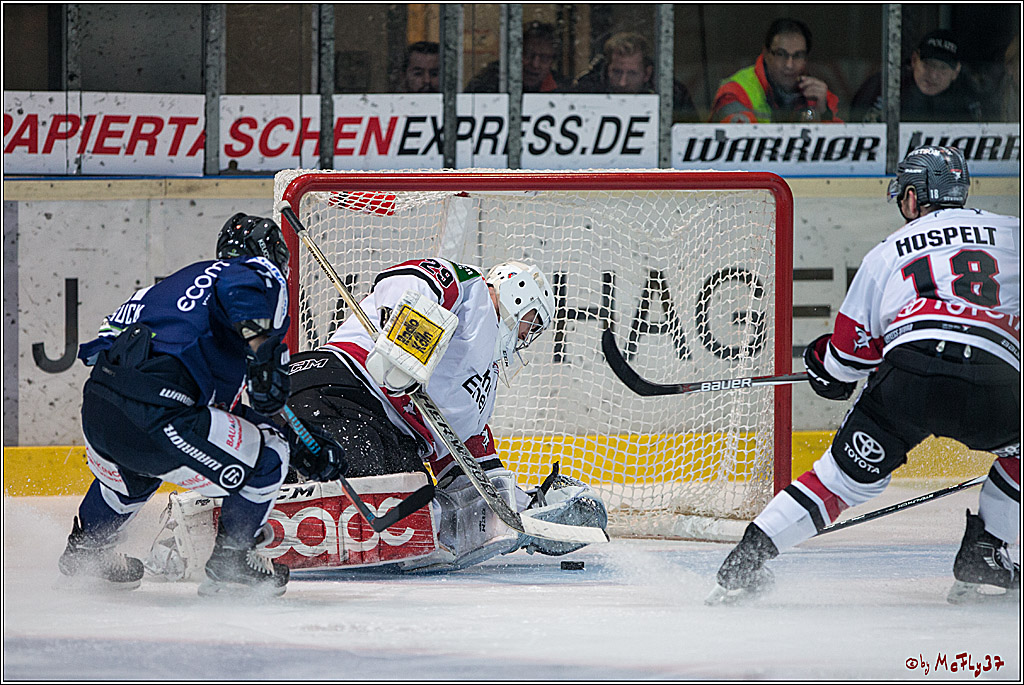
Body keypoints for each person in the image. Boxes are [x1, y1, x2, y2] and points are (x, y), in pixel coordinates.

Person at [706, 145, 1020, 606]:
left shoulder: (888, 251)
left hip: (909, 379)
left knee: (839, 478)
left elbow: (846, 362)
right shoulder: (1012, 232)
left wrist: (823, 366)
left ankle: (745, 561)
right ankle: (986, 551)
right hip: (996, 383)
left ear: (911, 198)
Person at [57, 214, 346, 597]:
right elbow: (239, 284)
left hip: (100, 412)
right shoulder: (253, 274)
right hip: (162, 416)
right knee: (270, 454)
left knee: (131, 481)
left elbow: (107, 341)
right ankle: (232, 563)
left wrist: (300, 439)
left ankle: (85, 553)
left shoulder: (169, 289)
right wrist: (262, 353)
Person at [284, 257, 608, 571]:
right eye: (532, 321)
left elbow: (474, 469)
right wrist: (406, 344)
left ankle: (284, 489)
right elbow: (412, 279)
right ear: (517, 291)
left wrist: (532, 510)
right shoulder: (473, 292)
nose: (526, 336)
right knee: (371, 486)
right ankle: (279, 492)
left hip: (390, 434)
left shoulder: (484, 388)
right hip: (338, 390)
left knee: (417, 522)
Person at [709, 18, 842, 123]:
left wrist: (824, 113)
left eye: (798, 55)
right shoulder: (734, 92)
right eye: (781, 54)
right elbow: (740, 145)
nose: (789, 65)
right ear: (766, 54)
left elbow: (842, 145)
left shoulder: (819, 95)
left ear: (806, 59)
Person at [849, 30, 984, 123]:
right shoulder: (885, 86)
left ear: (956, 71)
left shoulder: (969, 95)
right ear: (914, 60)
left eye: (943, 68)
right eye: (928, 65)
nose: (933, 75)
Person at [572, 31, 699, 122]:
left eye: (632, 74)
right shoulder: (586, 91)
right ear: (607, 68)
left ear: (647, 73)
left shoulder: (672, 95)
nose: (622, 82)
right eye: (617, 72)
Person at [465, 21, 569, 94]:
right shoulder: (488, 82)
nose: (535, 64)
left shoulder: (564, 89)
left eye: (544, 58)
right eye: (527, 55)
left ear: (552, 61)